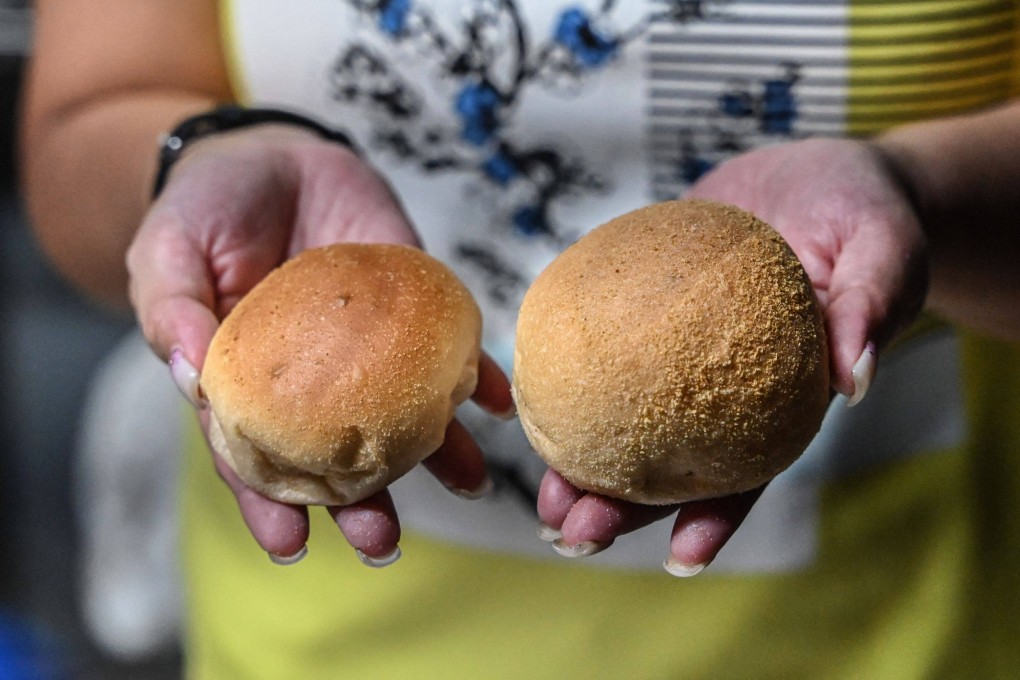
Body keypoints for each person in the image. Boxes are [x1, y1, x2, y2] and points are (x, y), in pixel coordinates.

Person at [19, 0, 1020, 677]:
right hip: (325, 647)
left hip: (901, 624)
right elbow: (82, 123)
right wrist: (207, 155)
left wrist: (918, 191)